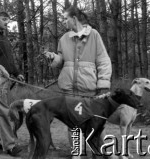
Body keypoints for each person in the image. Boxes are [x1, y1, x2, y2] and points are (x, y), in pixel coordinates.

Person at [44, 6, 112, 158]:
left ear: (74, 19)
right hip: (69, 90)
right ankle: (77, 154)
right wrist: (53, 58)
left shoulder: (94, 35)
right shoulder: (63, 38)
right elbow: (61, 60)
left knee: (95, 123)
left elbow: (103, 61)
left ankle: (103, 152)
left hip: (89, 88)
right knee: (73, 125)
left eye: (65, 18)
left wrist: (103, 84)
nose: (64, 21)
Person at [0, 9, 24, 156]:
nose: (7, 22)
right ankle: (9, 145)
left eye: (8, 19)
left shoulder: (4, 37)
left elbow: (8, 59)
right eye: (4, 19)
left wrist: (17, 72)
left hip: (7, 79)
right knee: (3, 111)